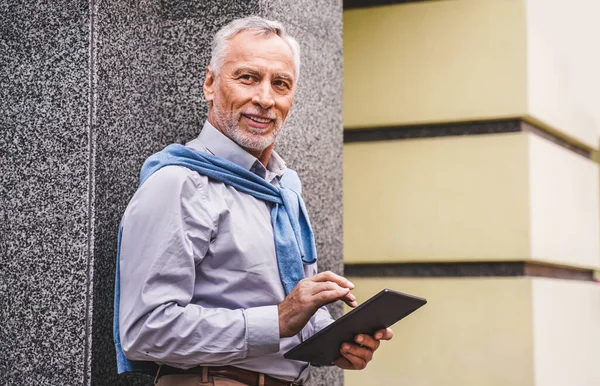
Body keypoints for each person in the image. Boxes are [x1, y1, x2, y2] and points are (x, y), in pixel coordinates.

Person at [115, 16, 393, 386]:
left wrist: (335, 342)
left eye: (281, 84)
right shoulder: (178, 184)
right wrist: (278, 319)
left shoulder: (284, 191)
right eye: (247, 77)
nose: (265, 99)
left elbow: (288, 321)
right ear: (210, 84)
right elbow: (145, 330)